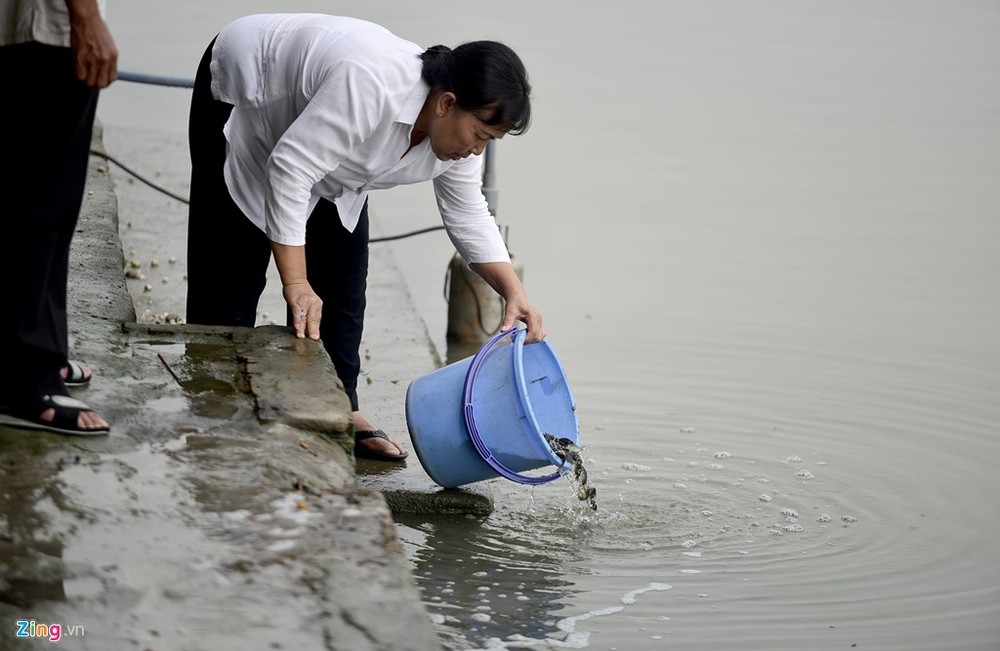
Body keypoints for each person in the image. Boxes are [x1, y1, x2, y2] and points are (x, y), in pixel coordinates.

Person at [185, 14, 545, 462]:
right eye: (479, 134)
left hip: (332, 156)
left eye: (490, 140)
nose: (478, 150)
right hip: (248, 89)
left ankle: (342, 407)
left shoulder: (461, 137)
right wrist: (295, 282)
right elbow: (291, 169)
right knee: (230, 272)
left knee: (343, 286)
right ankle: (210, 404)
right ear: (446, 103)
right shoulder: (370, 82)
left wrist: (514, 291)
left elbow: (467, 210)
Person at [0, 0, 117, 435]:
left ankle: (31, 354)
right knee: (45, 202)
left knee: (31, 195)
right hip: (47, 24)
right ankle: (26, 380)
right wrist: (85, 17)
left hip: (31, 26)